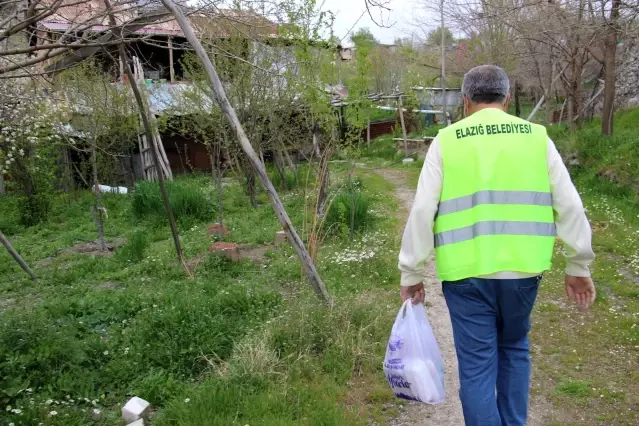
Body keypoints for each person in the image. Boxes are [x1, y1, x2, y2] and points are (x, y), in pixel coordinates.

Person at [398, 65, 596, 426]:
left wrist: (411, 271)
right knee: (515, 349)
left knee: (475, 367)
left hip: (466, 276)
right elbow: (569, 204)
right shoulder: (538, 138)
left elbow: (423, 209)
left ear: (465, 102)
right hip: (523, 272)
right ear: (506, 99)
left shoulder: (447, 141)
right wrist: (577, 264)